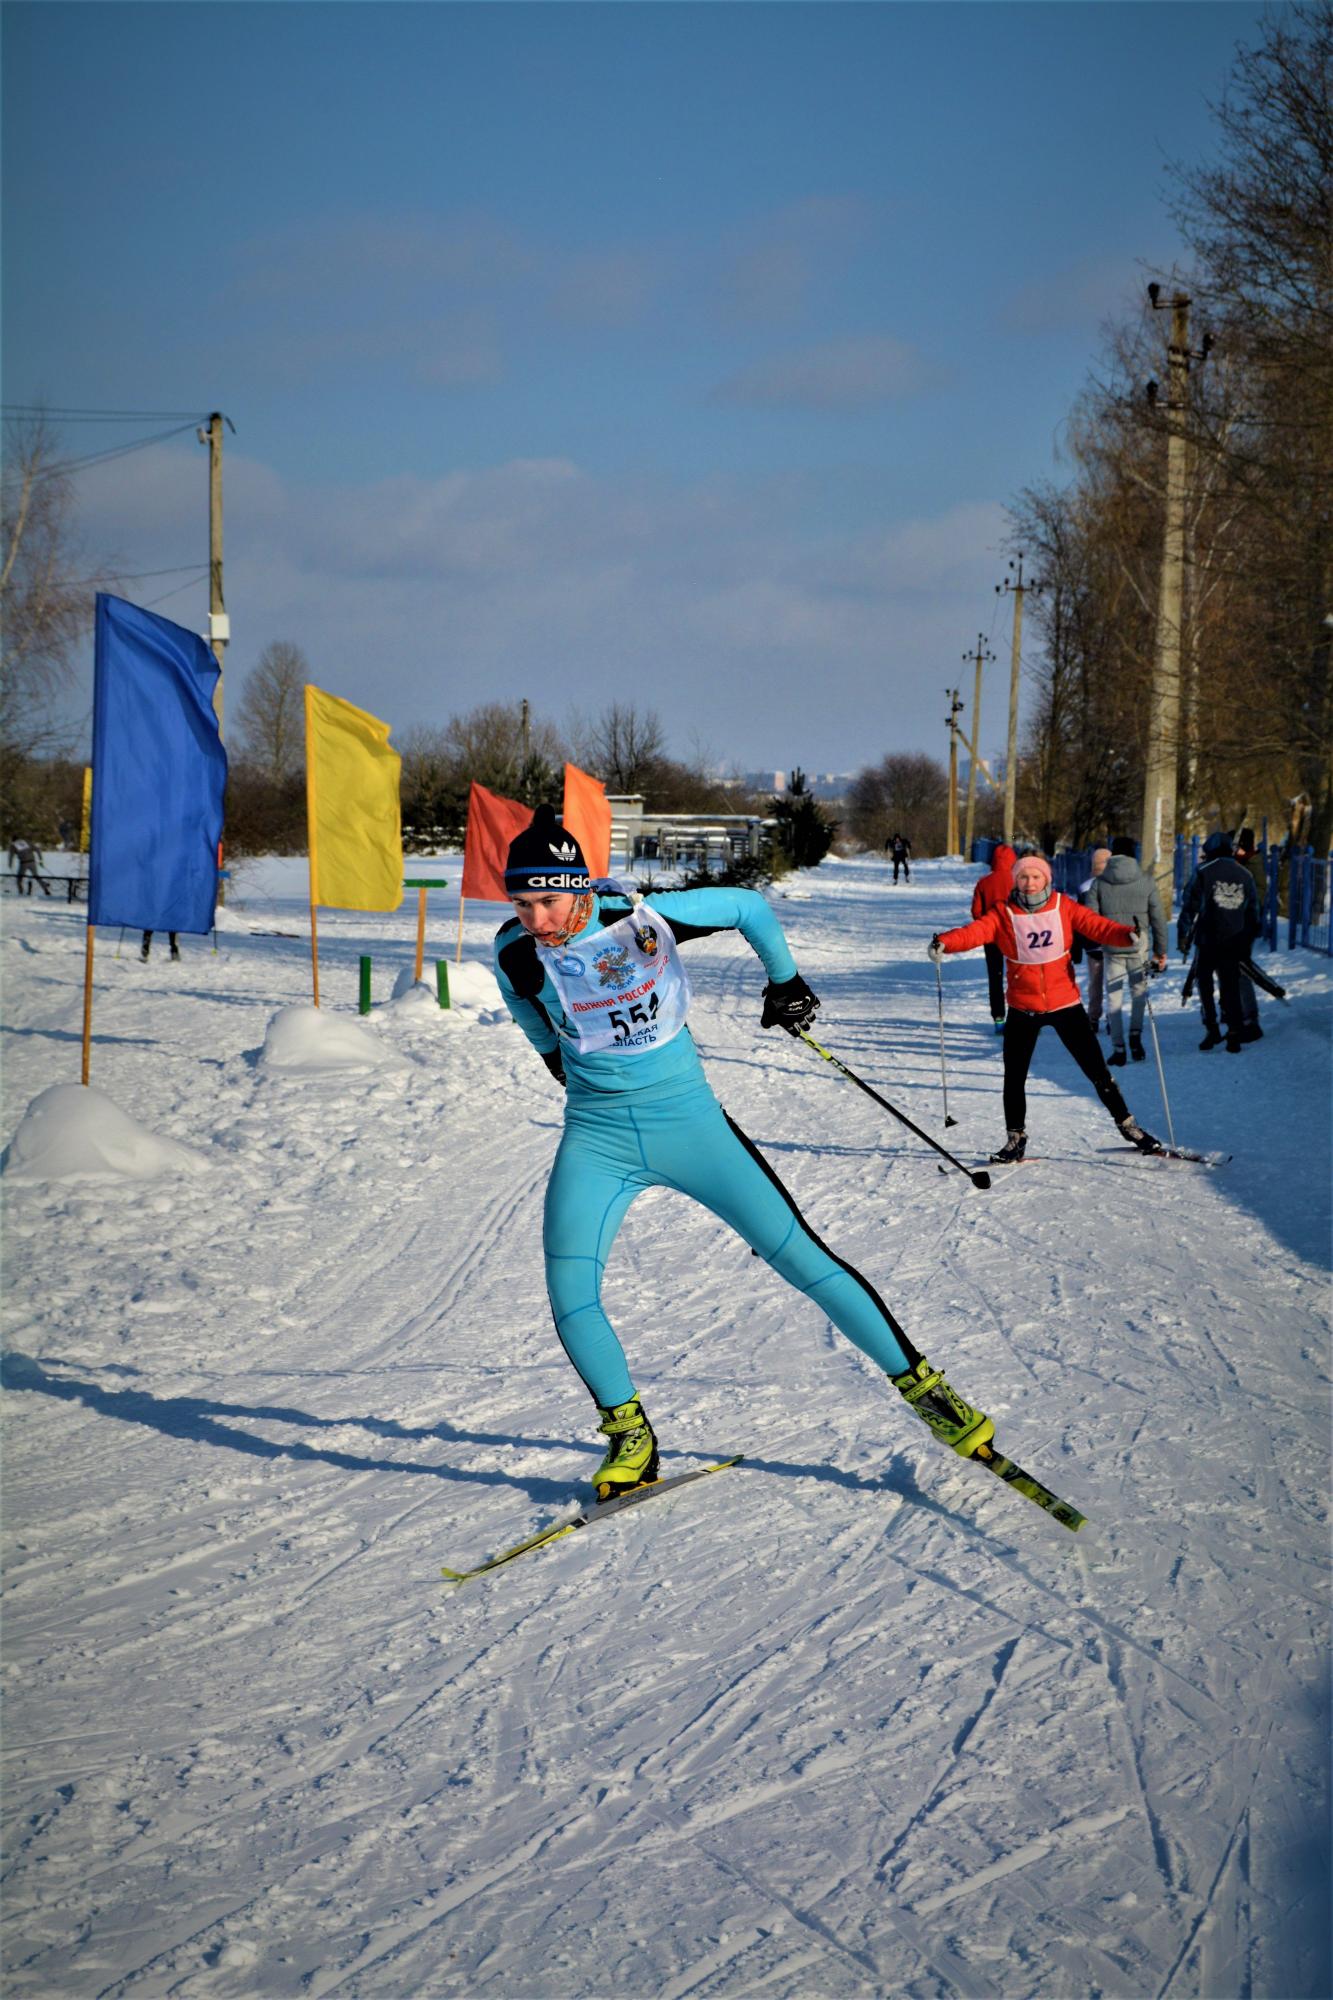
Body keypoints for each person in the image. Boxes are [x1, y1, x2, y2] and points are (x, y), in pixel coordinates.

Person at [493, 805, 995, 1500]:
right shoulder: (513, 950)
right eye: (520, 903)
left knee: (799, 1256)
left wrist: (784, 982)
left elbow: (748, 908)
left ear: (578, 888)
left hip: (690, 1125)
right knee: (570, 1291)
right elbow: (526, 1011)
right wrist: (556, 1059)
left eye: (546, 901)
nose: (535, 919)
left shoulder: (645, 917)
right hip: (598, 1136)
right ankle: (629, 1436)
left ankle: (928, 1392)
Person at [928, 852, 1163, 1163]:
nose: (1029, 883)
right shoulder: (1003, 913)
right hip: (1023, 1007)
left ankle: (1128, 1126)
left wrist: (1126, 935)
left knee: (1097, 1071)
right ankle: (1015, 1138)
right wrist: (945, 942)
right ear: (1016, 880)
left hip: (1064, 1003)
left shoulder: (1062, 906)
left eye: (1035, 876)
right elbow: (975, 932)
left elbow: (1096, 926)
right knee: (1014, 1076)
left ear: (1046, 880)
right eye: (1023, 877)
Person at [1177, 831, 1260, 1053]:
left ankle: (1212, 1029)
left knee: (1205, 985)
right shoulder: (1245, 874)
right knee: (1230, 986)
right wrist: (1248, 939)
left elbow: (1189, 906)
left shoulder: (1203, 872)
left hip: (1208, 938)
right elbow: (1253, 911)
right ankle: (1234, 1032)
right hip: (1235, 939)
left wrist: (1183, 935)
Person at [1088, 837, 1168, 1065]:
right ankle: (1135, 1037)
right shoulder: (1147, 881)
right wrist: (1160, 950)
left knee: (1113, 998)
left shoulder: (1100, 883)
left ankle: (1118, 1047)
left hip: (1112, 948)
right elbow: (1158, 919)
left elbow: (1090, 918)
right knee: (1138, 994)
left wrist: (1102, 937)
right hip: (1139, 947)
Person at [969, 841, 1016, 1030]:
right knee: (1018, 977)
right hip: (1016, 936)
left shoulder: (983, 882)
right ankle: (1024, 1016)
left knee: (995, 977)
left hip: (992, 935)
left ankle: (998, 1018)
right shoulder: (1018, 880)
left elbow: (976, 911)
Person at [1075, 846, 1112, 1032]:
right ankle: (1113, 1019)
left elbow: (1080, 920)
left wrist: (1078, 943)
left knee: (1095, 982)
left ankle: (1093, 1017)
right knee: (1113, 982)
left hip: (1093, 943)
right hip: (1114, 942)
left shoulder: (1084, 887)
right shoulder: (1117, 885)